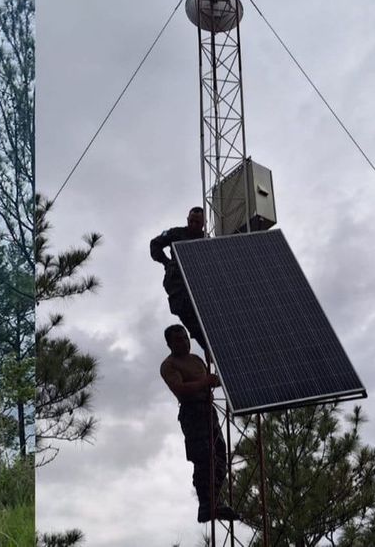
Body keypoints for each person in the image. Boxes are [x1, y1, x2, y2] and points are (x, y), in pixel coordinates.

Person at [159, 324, 241, 523]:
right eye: (178, 339)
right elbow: (179, 388)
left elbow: (211, 380)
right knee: (203, 458)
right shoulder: (169, 365)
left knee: (220, 454)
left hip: (208, 410)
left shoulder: (196, 359)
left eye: (185, 337)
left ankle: (215, 501)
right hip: (192, 413)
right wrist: (205, 382)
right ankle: (206, 505)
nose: (185, 342)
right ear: (169, 344)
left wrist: (227, 377)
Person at [151, 207, 208, 352]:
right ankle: (207, 347)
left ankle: (210, 349)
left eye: (197, 222)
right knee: (189, 317)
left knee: (208, 321)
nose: (194, 224)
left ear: (203, 223)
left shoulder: (206, 240)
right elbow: (155, 243)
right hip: (179, 284)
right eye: (191, 221)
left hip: (200, 285)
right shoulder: (176, 233)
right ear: (187, 220)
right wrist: (166, 262)